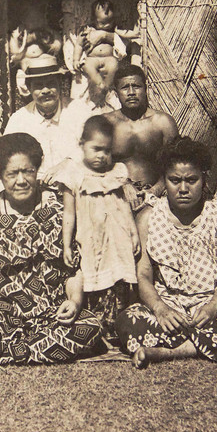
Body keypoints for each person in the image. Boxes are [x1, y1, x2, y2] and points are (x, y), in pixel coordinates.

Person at [0, 133, 105, 368]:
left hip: (51, 313)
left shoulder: (59, 208)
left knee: (89, 327)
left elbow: (72, 267)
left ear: (37, 170)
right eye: (12, 174)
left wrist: (75, 301)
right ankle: (33, 349)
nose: (21, 180)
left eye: (28, 171)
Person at [116, 137, 217, 368]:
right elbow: (143, 274)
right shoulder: (149, 216)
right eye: (174, 181)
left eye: (191, 180)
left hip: (212, 305)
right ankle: (207, 343)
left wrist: (212, 308)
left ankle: (168, 351)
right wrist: (161, 309)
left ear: (204, 179)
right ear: (165, 180)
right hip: (169, 305)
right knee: (128, 321)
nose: (183, 189)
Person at [51, 115, 140, 340]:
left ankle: (119, 324)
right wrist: (66, 245)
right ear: (82, 145)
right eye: (96, 149)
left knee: (119, 276)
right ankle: (99, 322)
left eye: (107, 150)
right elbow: (69, 213)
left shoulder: (118, 172)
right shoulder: (73, 173)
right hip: (91, 237)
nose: (102, 156)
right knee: (95, 273)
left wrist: (134, 233)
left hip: (117, 236)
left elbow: (125, 207)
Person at [104, 64, 178, 206]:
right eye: (125, 87)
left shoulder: (163, 122)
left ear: (145, 89)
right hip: (115, 192)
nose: (131, 92)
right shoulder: (107, 123)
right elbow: (98, 164)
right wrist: (123, 184)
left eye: (136, 86)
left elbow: (174, 165)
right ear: (116, 92)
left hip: (157, 195)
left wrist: (154, 191)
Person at [3, 55, 76, 178]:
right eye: (38, 85)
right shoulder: (19, 120)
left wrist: (69, 163)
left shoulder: (78, 110)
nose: (46, 90)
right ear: (29, 88)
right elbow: (6, 159)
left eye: (51, 83)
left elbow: (93, 149)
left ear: (60, 83)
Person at [70, 0, 141, 106]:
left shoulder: (114, 31)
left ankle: (106, 86)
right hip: (92, 58)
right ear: (93, 20)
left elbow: (127, 38)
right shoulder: (86, 31)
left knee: (114, 65)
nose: (107, 25)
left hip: (109, 58)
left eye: (110, 21)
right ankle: (99, 82)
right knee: (88, 66)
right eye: (103, 23)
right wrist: (76, 59)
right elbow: (79, 45)